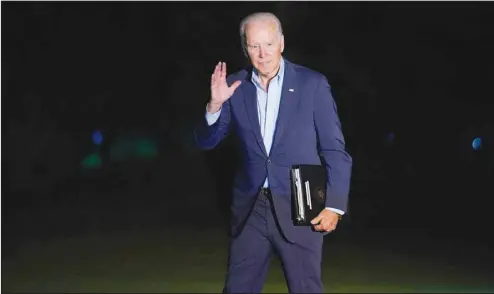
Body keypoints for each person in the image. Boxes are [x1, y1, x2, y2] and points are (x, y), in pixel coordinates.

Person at [194, 12, 352, 293]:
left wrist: (334, 206)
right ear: (246, 48)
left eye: (268, 44)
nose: (262, 53)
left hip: (300, 207)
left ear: (281, 43)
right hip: (251, 209)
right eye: (254, 46)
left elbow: (334, 149)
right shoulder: (234, 87)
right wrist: (214, 106)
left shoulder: (312, 84)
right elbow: (207, 142)